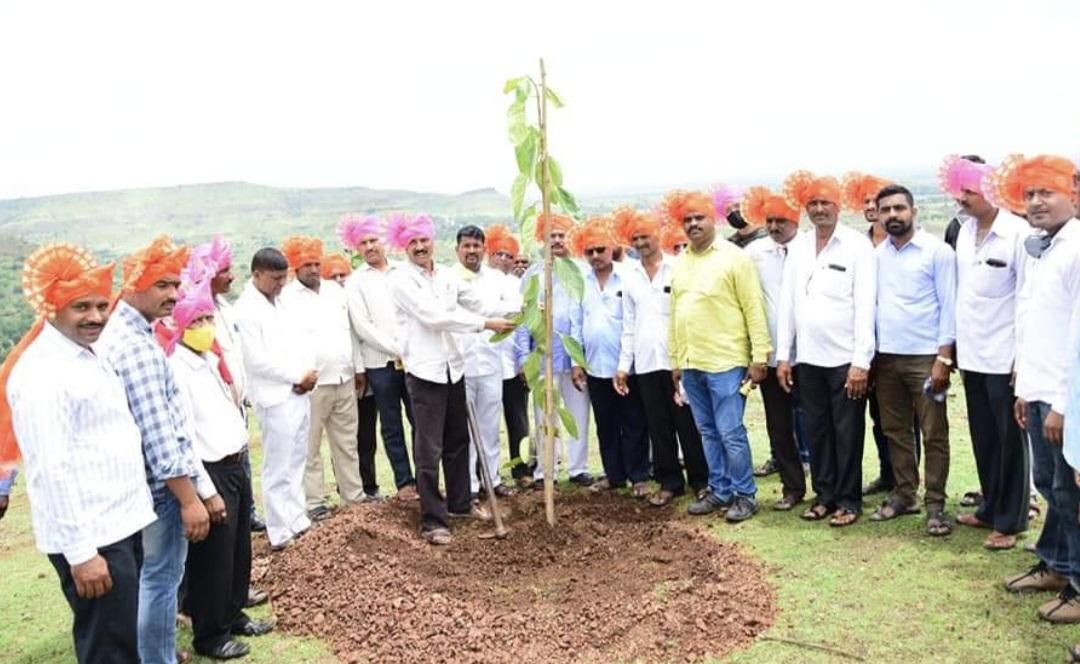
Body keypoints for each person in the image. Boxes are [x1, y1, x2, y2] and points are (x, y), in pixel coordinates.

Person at [0, 244, 156, 664]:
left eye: (102, 305)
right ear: (52, 308)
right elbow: (52, 471)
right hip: (93, 537)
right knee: (108, 648)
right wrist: (81, 554)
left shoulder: (87, 354)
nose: (96, 317)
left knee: (121, 638)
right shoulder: (43, 374)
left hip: (118, 524)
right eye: (80, 307)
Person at [98, 236, 211, 664]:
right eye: (163, 284)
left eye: (176, 284)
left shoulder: (124, 334)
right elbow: (159, 433)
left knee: (150, 577)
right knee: (161, 579)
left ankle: (152, 652)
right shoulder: (137, 348)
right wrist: (189, 498)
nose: (174, 295)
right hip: (161, 487)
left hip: (141, 484)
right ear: (134, 286)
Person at [385, 213, 513, 544]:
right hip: (425, 372)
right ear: (404, 247)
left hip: (454, 368)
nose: (419, 247)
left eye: (423, 240)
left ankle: (459, 504)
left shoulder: (445, 275)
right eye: (412, 242)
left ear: (432, 242)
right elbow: (434, 317)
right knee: (429, 448)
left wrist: (515, 310)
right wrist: (486, 325)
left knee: (458, 441)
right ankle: (433, 520)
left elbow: (474, 300)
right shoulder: (400, 281)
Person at [165, 277, 273, 660]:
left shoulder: (210, 359)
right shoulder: (175, 369)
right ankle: (210, 634)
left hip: (235, 461)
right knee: (213, 557)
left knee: (239, 548)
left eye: (207, 319)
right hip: (209, 470)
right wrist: (204, 490)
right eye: (195, 322)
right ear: (179, 327)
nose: (204, 328)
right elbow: (185, 437)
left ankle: (232, 612)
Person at [998, 155, 1080, 624]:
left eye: (1046, 192)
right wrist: (1025, 388)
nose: (1035, 202)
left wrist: (1064, 406)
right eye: (1029, 194)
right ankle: (1056, 563)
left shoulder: (1075, 248)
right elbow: (1032, 324)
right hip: (1038, 389)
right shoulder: (1042, 248)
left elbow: (1076, 337)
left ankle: (1076, 580)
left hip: (1064, 398)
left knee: (1068, 493)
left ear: (1071, 192)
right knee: (1048, 484)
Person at [665, 190, 772, 522]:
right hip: (692, 362)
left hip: (726, 362)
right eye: (688, 220)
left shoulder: (734, 257)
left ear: (713, 220)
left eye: (699, 218)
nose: (693, 224)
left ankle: (745, 495)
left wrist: (759, 357)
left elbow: (753, 308)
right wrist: (676, 361)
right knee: (707, 432)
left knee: (730, 431)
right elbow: (676, 313)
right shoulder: (682, 261)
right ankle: (720, 489)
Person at [776, 172, 875, 528]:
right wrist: (785, 357)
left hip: (845, 360)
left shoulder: (856, 247)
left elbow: (866, 307)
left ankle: (849, 500)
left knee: (846, 432)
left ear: (838, 206)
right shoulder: (799, 246)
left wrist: (861, 362)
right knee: (816, 430)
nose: (819, 209)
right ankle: (825, 495)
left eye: (825, 203)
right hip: (809, 359)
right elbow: (788, 303)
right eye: (813, 204)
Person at [942, 154, 1030, 549]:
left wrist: (1020, 359)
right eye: (958, 190)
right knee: (983, 435)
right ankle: (990, 506)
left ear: (991, 190)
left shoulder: (1017, 234)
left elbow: (1026, 301)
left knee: (1010, 440)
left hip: (1005, 356)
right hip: (972, 355)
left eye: (969, 191)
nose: (962, 198)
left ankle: (1011, 521)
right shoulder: (963, 232)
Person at [867, 184, 957, 536]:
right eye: (885, 209)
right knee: (895, 431)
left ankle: (935, 505)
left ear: (913, 212)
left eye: (898, 209)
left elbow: (949, 306)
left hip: (926, 358)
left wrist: (943, 358)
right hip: (887, 358)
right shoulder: (876, 256)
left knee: (934, 432)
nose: (892, 215)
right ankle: (905, 494)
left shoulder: (937, 252)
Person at [613, 207, 708, 506]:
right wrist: (623, 367)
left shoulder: (678, 269)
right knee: (658, 427)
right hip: (646, 363)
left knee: (688, 424)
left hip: (678, 362)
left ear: (659, 236)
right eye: (636, 238)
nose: (641, 243)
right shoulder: (629, 277)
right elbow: (628, 324)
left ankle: (701, 481)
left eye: (646, 236)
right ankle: (669, 482)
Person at [234, 247, 317, 551]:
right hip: (275, 395)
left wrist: (306, 374)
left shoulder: (281, 303)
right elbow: (256, 360)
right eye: (275, 278)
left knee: (297, 457)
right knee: (278, 464)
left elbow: (298, 342)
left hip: (299, 390)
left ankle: (297, 517)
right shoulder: (246, 309)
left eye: (284, 277)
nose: (281, 284)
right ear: (256, 274)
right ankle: (280, 529)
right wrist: (296, 376)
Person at [279, 235, 367, 521]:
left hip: (343, 377)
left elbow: (349, 332)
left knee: (347, 442)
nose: (314, 269)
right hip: (310, 384)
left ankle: (354, 497)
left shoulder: (335, 291)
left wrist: (358, 367)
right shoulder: (285, 298)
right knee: (310, 446)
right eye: (307, 265)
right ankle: (315, 503)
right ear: (295, 267)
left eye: (317, 263)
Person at [840, 172, 912, 498]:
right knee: (877, 417)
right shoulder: (857, 244)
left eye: (876, 202)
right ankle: (886, 474)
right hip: (864, 346)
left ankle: (904, 481)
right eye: (867, 202)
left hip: (899, 344)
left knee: (900, 421)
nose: (871, 207)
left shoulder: (901, 243)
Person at [187, 236, 266, 534]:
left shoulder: (224, 307)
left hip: (236, 402)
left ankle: (248, 515)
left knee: (242, 459)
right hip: (214, 409)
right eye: (225, 270)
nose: (232, 275)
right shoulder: (196, 314)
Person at [340, 213, 419, 501]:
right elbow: (362, 326)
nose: (370, 246)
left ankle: (425, 477)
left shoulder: (404, 271)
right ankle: (404, 482)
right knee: (391, 424)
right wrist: (397, 347)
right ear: (356, 248)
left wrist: (410, 348)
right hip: (380, 363)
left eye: (374, 240)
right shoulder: (356, 282)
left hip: (414, 360)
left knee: (419, 420)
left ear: (384, 241)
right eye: (363, 243)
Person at [570, 216, 650, 497]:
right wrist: (576, 362)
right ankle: (614, 475)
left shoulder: (629, 278)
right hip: (595, 367)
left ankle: (638, 475)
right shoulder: (581, 282)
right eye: (589, 251)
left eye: (600, 250)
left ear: (612, 249)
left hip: (625, 367)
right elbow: (576, 322)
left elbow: (633, 323)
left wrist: (624, 365)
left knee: (633, 422)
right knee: (605, 425)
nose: (595, 256)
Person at [516, 213, 595, 488]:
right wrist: (524, 358)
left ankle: (578, 468)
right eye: (552, 236)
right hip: (542, 357)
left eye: (562, 235)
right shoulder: (533, 276)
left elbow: (583, 315)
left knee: (577, 413)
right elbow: (523, 318)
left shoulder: (581, 272)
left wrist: (578, 358)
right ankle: (543, 471)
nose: (557, 240)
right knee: (543, 415)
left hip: (574, 358)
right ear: (543, 239)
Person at [742, 187, 807, 510]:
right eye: (769, 220)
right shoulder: (754, 253)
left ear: (795, 221)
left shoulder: (811, 249)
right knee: (778, 426)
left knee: (818, 425)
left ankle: (827, 488)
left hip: (811, 354)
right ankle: (792, 487)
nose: (774, 227)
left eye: (781, 220)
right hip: (770, 354)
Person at [452, 225, 520, 499]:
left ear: (484, 249)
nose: (471, 251)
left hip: (491, 362)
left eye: (476, 246)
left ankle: (491, 479)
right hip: (462, 364)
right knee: (465, 430)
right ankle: (468, 485)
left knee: (490, 426)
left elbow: (513, 307)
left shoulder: (496, 279)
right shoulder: (449, 279)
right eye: (466, 246)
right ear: (457, 249)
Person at [485, 224, 533, 484]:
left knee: (518, 419)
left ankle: (521, 469)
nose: (502, 259)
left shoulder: (519, 285)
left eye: (508, 255)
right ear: (488, 255)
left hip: (514, 363)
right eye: (498, 254)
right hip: (486, 362)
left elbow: (524, 323)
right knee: (488, 422)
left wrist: (524, 361)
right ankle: (489, 475)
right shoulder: (478, 283)